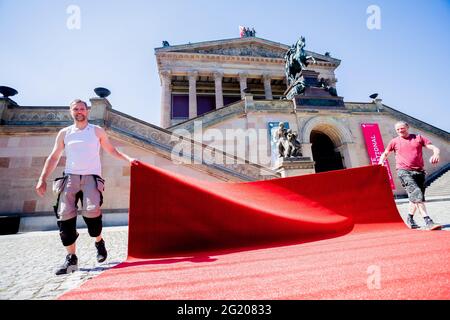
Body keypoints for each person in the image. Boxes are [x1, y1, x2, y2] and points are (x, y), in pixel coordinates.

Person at [35, 99, 135, 275]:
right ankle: (71, 259)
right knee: (64, 217)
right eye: (75, 109)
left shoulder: (96, 131)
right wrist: (42, 178)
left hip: (91, 178)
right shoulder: (65, 133)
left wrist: (129, 160)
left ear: (87, 111)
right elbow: (54, 157)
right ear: (71, 112)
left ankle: (99, 242)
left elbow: (112, 150)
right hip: (70, 178)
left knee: (92, 212)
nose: (79, 111)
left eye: (82, 108)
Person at [378, 121, 441, 230]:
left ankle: (409, 218)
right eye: (397, 130)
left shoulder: (418, 138)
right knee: (416, 193)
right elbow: (385, 153)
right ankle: (428, 220)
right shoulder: (394, 141)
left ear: (407, 127)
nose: (400, 131)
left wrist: (436, 154)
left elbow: (435, 148)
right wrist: (381, 161)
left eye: (402, 128)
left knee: (415, 197)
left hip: (419, 172)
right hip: (403, 171)